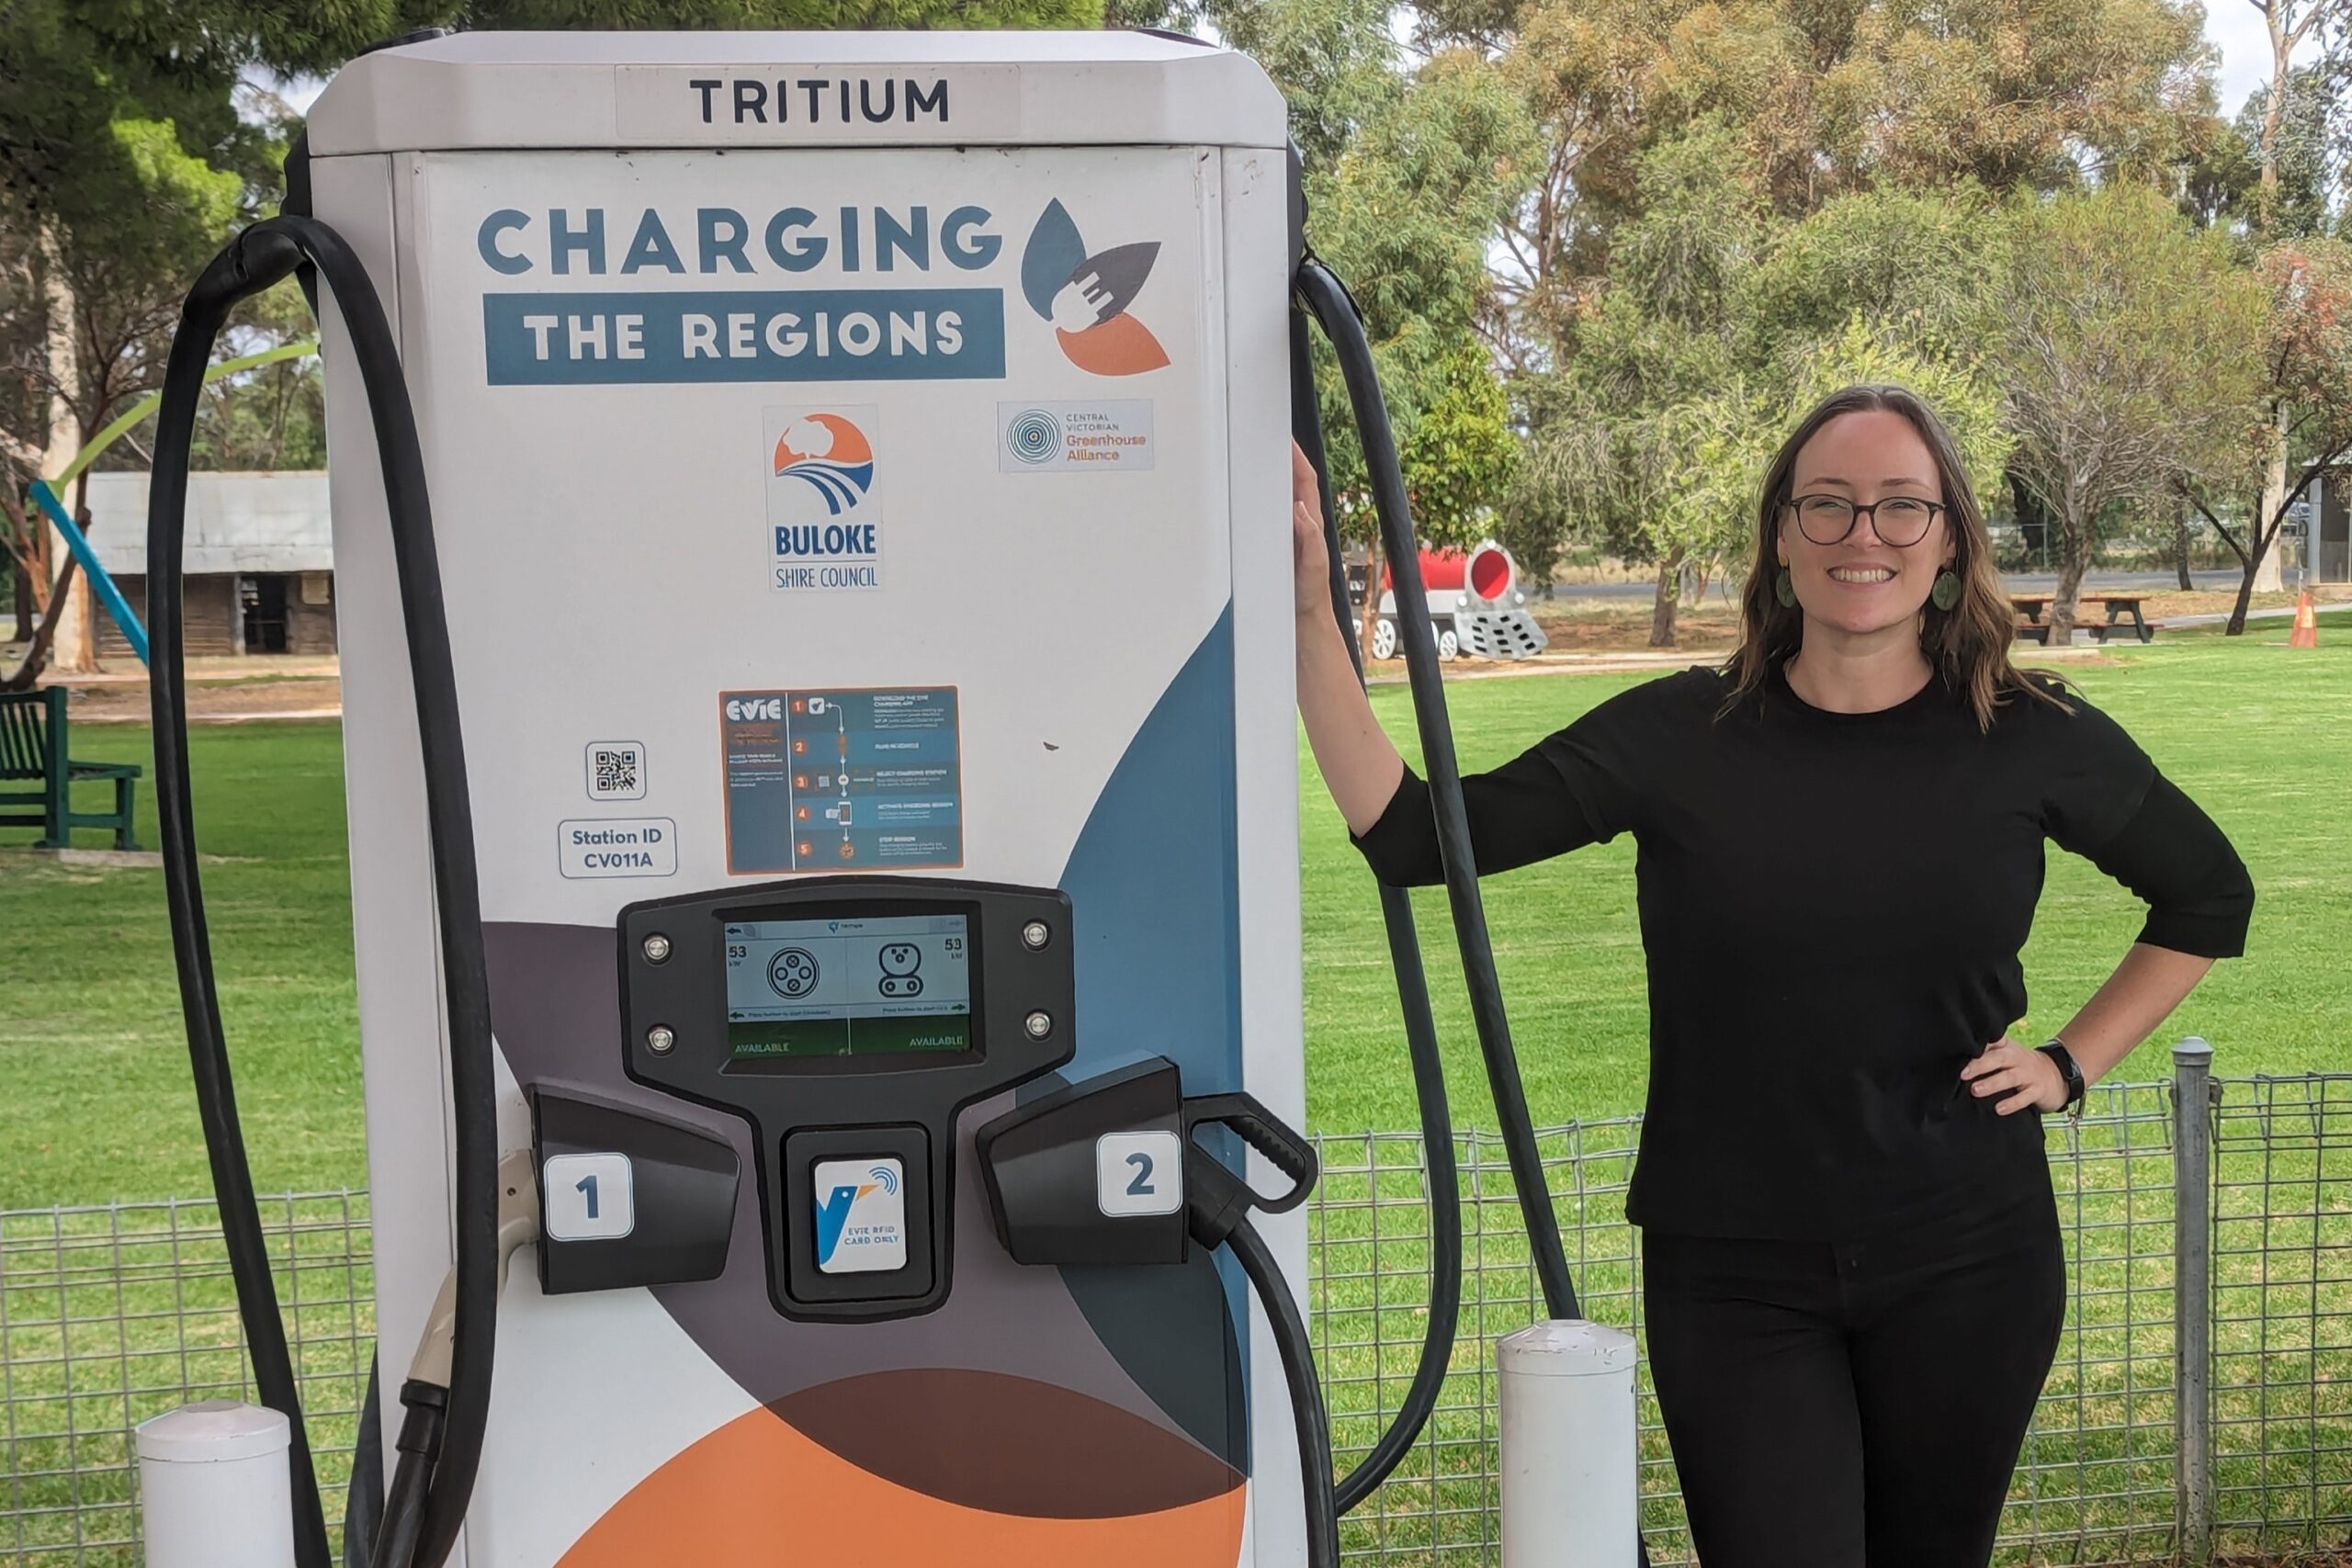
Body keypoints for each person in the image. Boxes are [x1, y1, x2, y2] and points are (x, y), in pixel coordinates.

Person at [1289, 385, 2255, 1568]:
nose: (1866, 538)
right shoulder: (1677, 736)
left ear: (1950, 538)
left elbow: (2211, 896)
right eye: (1831, 506)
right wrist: (1306, 614)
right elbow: (1413, 838)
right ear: (1782, 535)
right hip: (1735, 1269)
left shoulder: (2030, 731)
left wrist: (2067, 1062)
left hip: (1968, 1258)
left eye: (1903, 508)